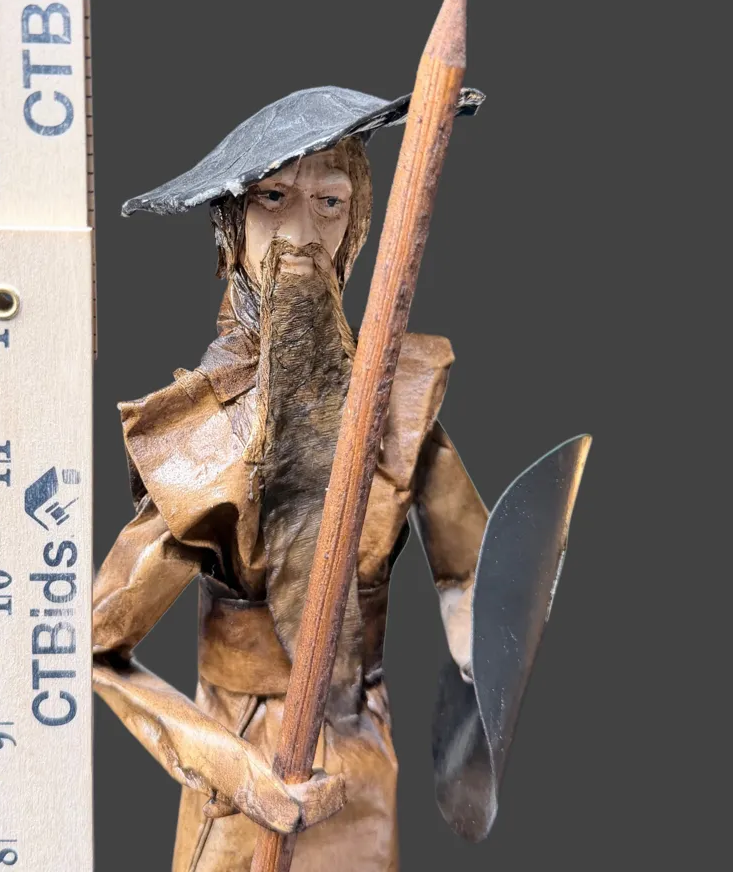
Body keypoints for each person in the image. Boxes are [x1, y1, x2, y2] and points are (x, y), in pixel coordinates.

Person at [92, 86, 589, 871]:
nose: (301, 234)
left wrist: (478, 636)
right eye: (272, 198)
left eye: (329, 201)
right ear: (232, 226)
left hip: (360, 757)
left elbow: (472, 572)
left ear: (357, 228)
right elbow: (98, 647)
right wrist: (236, 772)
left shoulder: (398, 406)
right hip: (246, 770)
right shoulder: (200, 438)